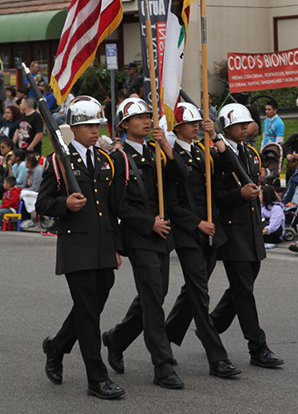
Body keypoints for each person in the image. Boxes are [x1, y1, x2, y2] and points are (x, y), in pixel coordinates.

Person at [35, 96, 125, 400]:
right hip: (77, 247)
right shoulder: (60, 161)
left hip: (103, 247)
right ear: (73, 128)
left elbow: (110, 209)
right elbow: (43, 203)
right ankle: (96, 379)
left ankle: (57, 345)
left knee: (92, 305)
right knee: (89, 314)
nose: (93, 130)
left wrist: (115, 247)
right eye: (87, 125)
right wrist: (65, 204)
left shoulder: (104, 159)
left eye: (96, 124)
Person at [102, 97, 184, 390]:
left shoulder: (155, 151)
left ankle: (117, 338)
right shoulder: (118, 157)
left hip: (162, 235)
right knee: (152, 298)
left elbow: (179, 179)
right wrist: (149, 222)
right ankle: (163, 366)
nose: (147, 121)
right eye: (139, 117)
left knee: (154, 296)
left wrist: (167, 147)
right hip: (140, 236)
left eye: (149, 116)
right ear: (124, 124)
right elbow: (120, 205)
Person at [164, 102, 242, 380]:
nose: (196, 126)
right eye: (190, 123)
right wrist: (196, 223)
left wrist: (217, 139)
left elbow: (231, 167)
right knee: (200, 294)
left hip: (211, 231)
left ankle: (156, 337)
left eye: (198, 122)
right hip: (189, 233)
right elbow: (171, 204)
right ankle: (217, 358)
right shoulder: (170, 157)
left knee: (193, 292)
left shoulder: (202, 151)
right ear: (177, 127)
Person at [212, 103, 284, 369]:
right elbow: (216, 197)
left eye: (246, 125)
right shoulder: (217, 157)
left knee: (243, 288)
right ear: (226, 128)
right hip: (232, 232)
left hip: (252, 231)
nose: (245, 129)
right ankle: (258, 347)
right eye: (239, 125)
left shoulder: (251, 153)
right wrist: (237, 195)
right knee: (244, 292)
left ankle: (212, 325)